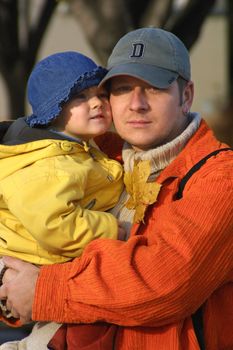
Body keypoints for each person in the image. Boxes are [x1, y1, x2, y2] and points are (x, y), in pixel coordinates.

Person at [0, 27, 233, 350]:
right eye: (122, 89)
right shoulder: (89, 155)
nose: (136, 104)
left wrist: (43, 292)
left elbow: (164, 282)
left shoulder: (220, 178)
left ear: (187, 96)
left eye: (152, 88)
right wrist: (12, 285)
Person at [0, 51, 125, 348]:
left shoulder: (72, 148)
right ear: (53, 109)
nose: (96, 103)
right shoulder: (48, 165)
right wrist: (115, 230)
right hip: (38, 263)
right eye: (80, 97)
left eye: (100, 94)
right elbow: (56, 225)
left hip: (47, 264)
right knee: (81, 332)